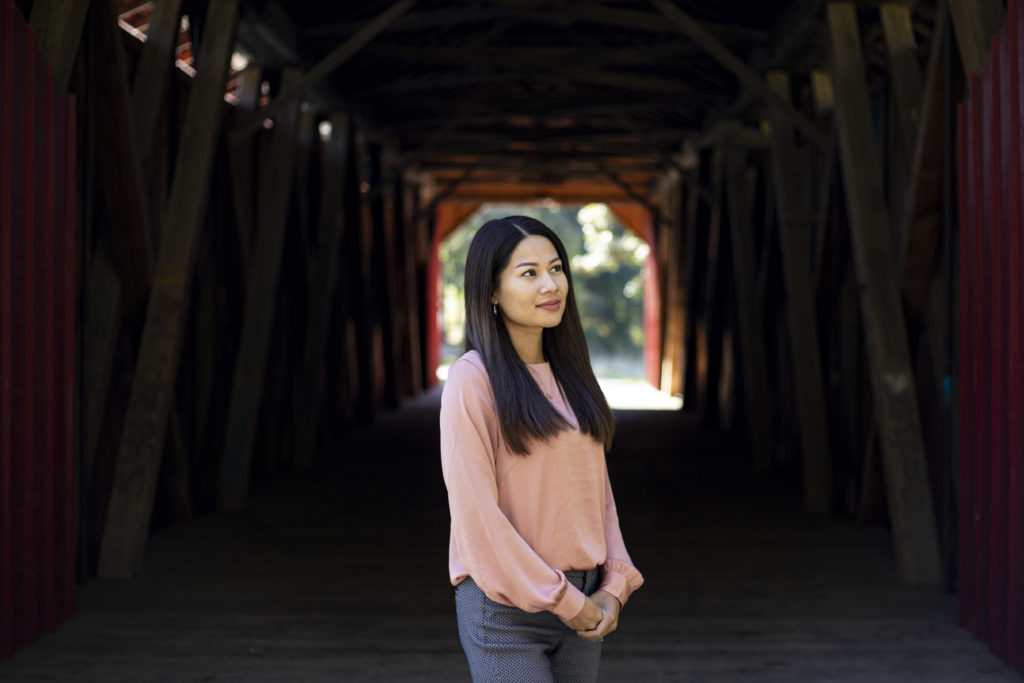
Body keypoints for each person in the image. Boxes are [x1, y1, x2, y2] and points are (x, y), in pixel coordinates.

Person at [439, 215, 644, 682]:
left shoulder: (572, 376)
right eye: (528, 273)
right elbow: (476, 517)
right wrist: (564, 601)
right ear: (491, 291)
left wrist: (614, 583)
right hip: (505, 605)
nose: (550, 285)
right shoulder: (473, 380)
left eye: (555, 268)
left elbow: (597, 496)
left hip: (585, 602)